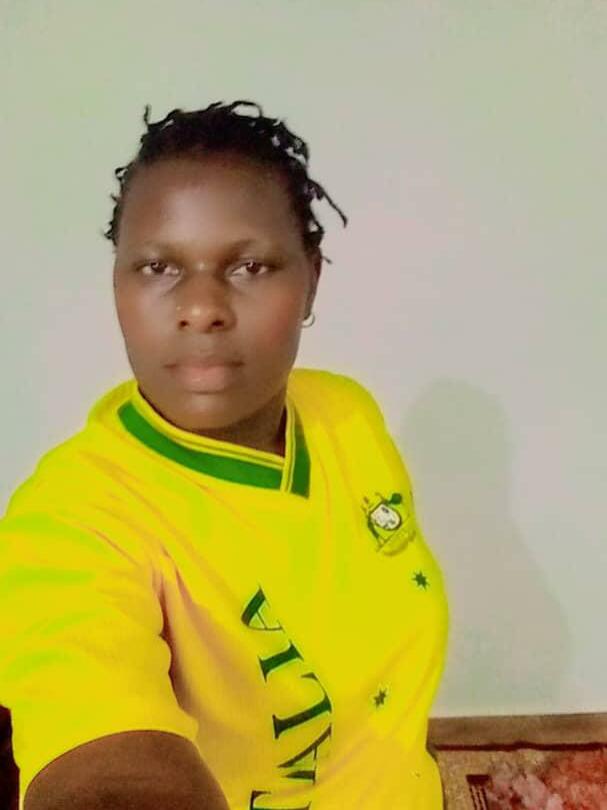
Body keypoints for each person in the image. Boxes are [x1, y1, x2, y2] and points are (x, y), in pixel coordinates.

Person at [0, 100, 450, 810]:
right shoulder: (69, 520)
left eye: (249, 265)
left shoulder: (344, 413)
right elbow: (96, 748)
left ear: (310, 282)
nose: (201, 306)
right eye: (158, 266)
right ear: (118, 286)